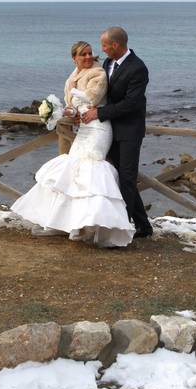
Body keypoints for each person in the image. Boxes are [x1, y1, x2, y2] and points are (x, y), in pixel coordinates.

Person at [11, 41, 135, 247]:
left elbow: (92, 99)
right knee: (72, 171)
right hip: (83, 129)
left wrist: (75, 108)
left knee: (91, 170)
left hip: (99, 128)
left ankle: (91, 226)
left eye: (90, 53)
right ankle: (65, 223)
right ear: (74, 58)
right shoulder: (71, 77)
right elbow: (73, 106)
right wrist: (61, 112)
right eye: (83, 55)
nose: (88, 57)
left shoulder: (98, 74)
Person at [81, 27, 153, 238]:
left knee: (128, 179)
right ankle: (144, 226)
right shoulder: (108, 63)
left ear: (116, 45)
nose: (101, 50)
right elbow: (105, 95)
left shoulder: (138, 68)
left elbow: (131, 103)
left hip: (130, 130)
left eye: (104, 45)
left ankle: (122, 230)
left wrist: (99, 113)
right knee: (121, 178)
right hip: (110, 130)